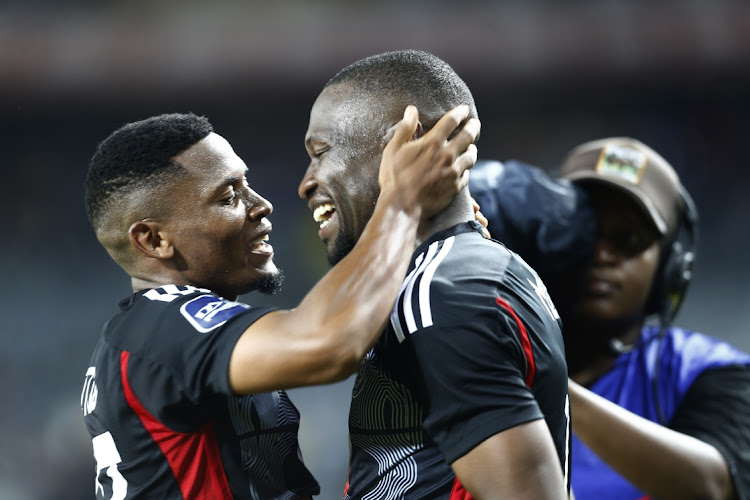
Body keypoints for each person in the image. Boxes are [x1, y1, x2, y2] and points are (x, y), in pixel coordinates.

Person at [80, 109, 480, 499]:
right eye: (228, 196)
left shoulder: (148, 332)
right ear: (153, 240)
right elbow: (329, 345)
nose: (261, 204)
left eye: (247, 183)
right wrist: (401, 203)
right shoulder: (163, 325)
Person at [298, 49, 570, 499]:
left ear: (410, 143)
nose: (306, 181)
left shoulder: (444, 292)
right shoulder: (449, 276)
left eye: (321, 152)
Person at [472, 138, 750, 500]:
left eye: (628, 238)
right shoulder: (474, 352)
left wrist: (547, 381)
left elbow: (712, 485)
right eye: (583, 232)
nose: (601, 253)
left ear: (670, 269)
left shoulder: (705, 371)